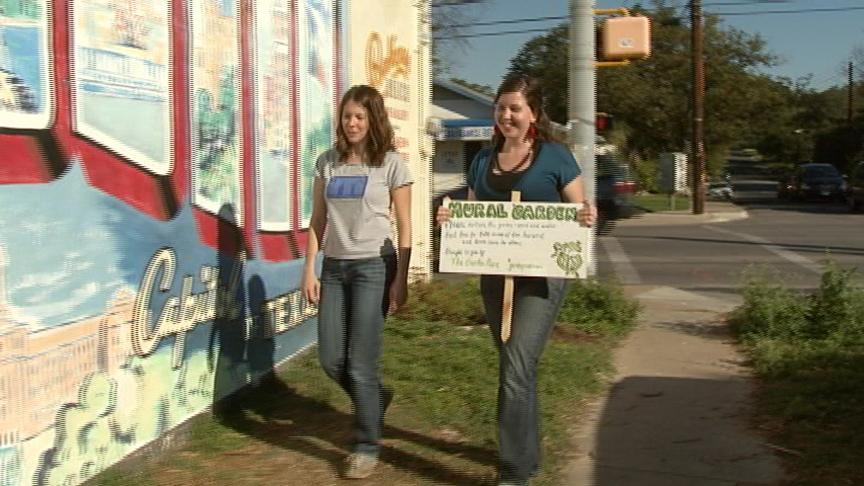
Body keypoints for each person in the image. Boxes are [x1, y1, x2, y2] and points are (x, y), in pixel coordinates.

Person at [436, 74, 596, 486]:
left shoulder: (556, 158)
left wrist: (586, 215)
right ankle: (529, 456)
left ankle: (512, 472)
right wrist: (450, 217)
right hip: (496, 276)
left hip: (541, 279)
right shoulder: (480, 160)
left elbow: (579, 212)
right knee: (516, 369)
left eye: (515, 108)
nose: (506, 115)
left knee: (516, 368)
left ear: (533, 114)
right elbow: (471, 213)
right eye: (501, 107)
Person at [301, 84, 412, 479]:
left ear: (372, 120)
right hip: (334, 268)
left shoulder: (391, 164)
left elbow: (405, 225)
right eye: (347, 116)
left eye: (359, 116)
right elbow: (317, 221)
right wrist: (309, 268)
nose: (351, 123)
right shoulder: (326, 163)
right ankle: (376, 399)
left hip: (374, 269)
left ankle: (366, 443)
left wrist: (400, 278)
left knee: (361, 363)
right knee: (332, 360)